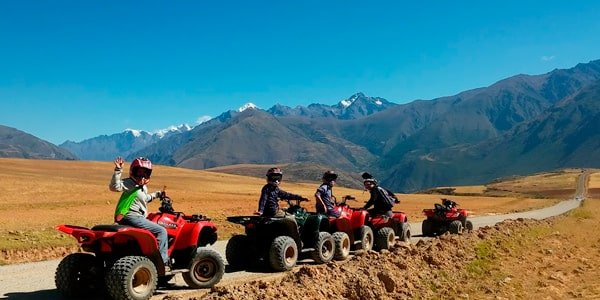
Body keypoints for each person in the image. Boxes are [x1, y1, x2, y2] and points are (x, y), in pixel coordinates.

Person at [109, 156, 170, 269]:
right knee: (161, 231)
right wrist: (118, 170)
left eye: (145, 173)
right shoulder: (130, 183)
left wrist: (157, 194)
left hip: (135, 217)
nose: (142, 176)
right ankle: (162, 263)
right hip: (131, 216)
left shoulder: (142, 187)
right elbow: (114, 187)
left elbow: (144, 199)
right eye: (139, 172)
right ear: (133, 171)